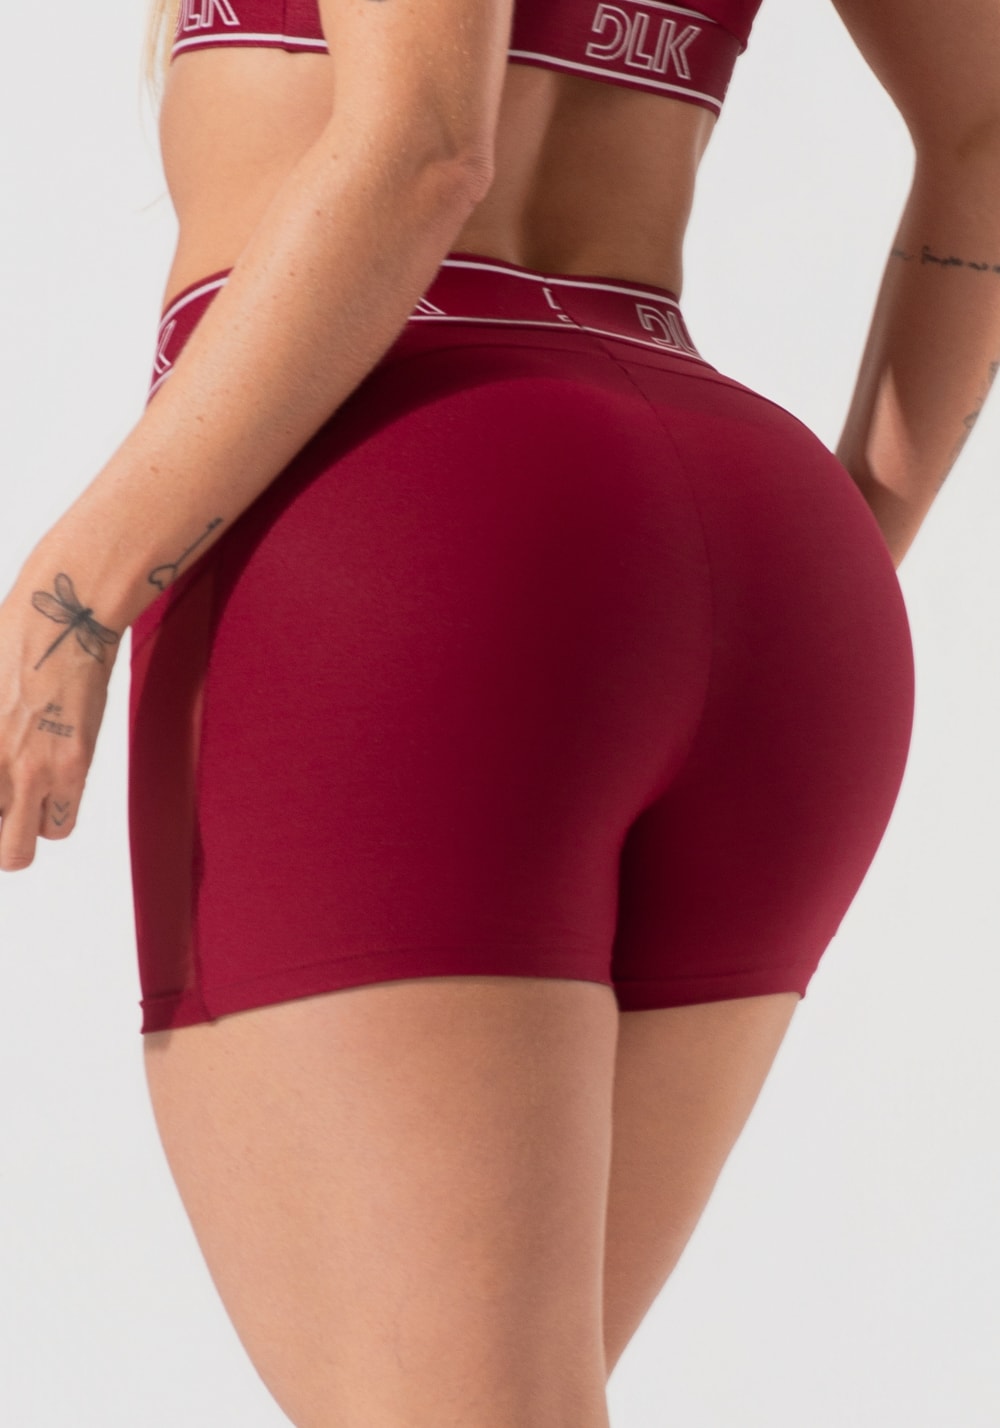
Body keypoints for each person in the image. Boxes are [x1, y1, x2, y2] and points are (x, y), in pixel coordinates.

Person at [0, 0, 997, 1423]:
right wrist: (820, 563)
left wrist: (77, 590)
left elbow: (422, 149)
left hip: (414, 528)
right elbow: (988, 129)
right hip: (760, 547)